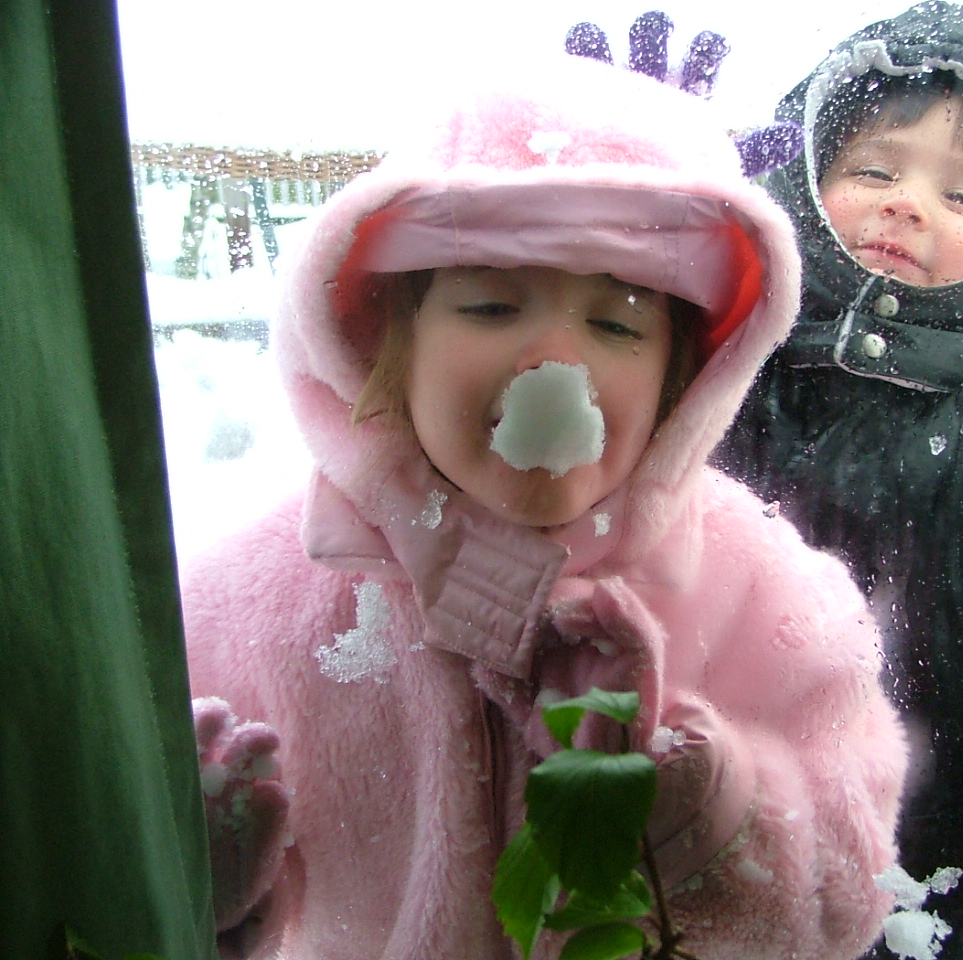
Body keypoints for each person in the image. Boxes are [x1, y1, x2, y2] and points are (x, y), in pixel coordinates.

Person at [180, 52, 907, 960]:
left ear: (683, 384)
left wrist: (704, 809)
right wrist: (196, 893)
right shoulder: (247, 606)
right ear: (389, 346)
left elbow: (847, 898)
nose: (555, 361)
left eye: (617, 324)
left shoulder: (764, 594)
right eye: (488, 306)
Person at [715, 3, 963, 957]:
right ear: (806, 181)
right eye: (873, 171)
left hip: (911, 887)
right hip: (700, 841)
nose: (907, 203)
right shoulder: (720, 378)